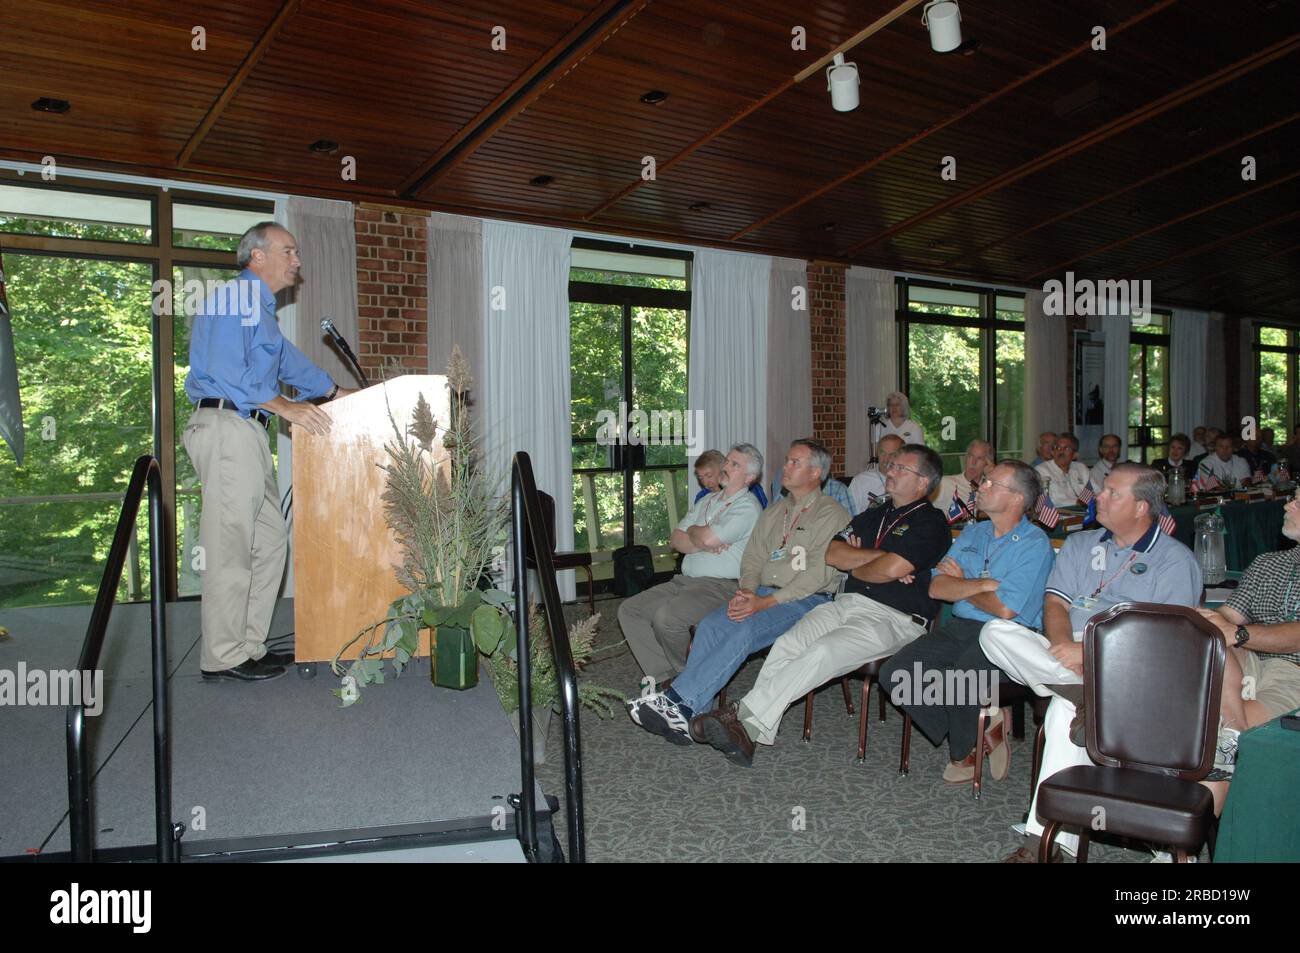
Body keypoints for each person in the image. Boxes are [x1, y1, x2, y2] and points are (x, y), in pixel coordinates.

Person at [980, 463, 1202, 861]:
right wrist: (1065, 643)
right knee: (994, 633)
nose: (1098, 496)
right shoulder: (1081, 544)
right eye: (1103, 489)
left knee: (1063, 712)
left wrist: (1090, 653)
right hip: (1066, 652)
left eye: (1112, 493)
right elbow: (1055, 603)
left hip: (1134, 659)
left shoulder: (1173, 560)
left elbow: (1168, 637)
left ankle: (1043, 843)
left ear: (1141, 507)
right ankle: (1085, 693)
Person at [689, 445, 951, 766]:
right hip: (846, 603)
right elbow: (834, 554)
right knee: (788, 644)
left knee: (822, 652)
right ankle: (751, 732)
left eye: (900, 468)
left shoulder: (932, 523)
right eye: (891, 465)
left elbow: (892, 569)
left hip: (894, 618)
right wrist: (881, 560)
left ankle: (740, 718)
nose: (890, 471)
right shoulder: (875, 513)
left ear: (923, 482)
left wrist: (868, 562)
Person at [184, 222, 356, 682]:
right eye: (289, 251)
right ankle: (222, 656)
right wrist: (287, 408)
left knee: (269, 542)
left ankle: (248, 646)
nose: (297, 261)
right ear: (256, 256)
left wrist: (345, 395)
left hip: (247, 432)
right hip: (225, 427)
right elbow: (226, 369)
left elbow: (291, 365)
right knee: (231, 547)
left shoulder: (260, 314)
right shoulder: (234, 299)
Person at [626, 439, 849, 744]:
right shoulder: (775, 512)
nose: (785, 466)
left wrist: (765, 601)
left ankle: (678, 701)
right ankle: (689, 717)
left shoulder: (830, 513)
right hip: (761, 592)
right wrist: (746, 592)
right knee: (710, 626)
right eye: (786, 459)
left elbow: (818, 575)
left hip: (806, 600)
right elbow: (753, 558)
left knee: (743, 630)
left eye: (795, 462)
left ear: (815, 473)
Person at [880, 461, 1055, 783]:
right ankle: (985, 725)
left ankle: (964, 752)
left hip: (1008, 635)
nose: (981, 487)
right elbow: (937, 587)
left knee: (960, 680)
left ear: (1018, 499)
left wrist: (964, 584)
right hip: (962, 628)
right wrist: (984, 585)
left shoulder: (1035, 543)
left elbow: (1005, 610)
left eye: (991, 484)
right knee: (895, 674)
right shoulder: (972, 532)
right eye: (983, 481)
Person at [621, 445, 764, 687]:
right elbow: (676, 540)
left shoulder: (747, 506)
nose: (726, 467)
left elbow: (701, 538)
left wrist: (696, 534)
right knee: (629, 610)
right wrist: (705, 540)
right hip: (685, 581)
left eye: (735, 465)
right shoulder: (708, 501)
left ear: (749, 477)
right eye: (727, 461)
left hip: (721, 586)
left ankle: (690, 680)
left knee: (666, 619)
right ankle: (667, 676)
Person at [1194, 495, 1300, 808]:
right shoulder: (1268, 563)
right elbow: (1227, 617)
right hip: (1248, 661)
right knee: (1208, 643)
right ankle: (1233, 737)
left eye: (1297, 502)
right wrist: (1198, 619)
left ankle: (1178, 846)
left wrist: (1237, 633)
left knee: (1201, 731)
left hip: (1293, 673)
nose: (1286, 506)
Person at [932, 439, 992, 517]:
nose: (973, 462)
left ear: (987, 463)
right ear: (966, 459)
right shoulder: (945, 483)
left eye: (979, 458)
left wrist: (992, 474)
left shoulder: (989, 487)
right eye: (971, 456)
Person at [848, 434, 903, 515]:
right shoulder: (860, 481)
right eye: (883, 453)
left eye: (892, 454)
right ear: (877, 453)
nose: (886, 459)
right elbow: (849, 515)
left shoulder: (909, 481)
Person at [695, 447, 767, 508]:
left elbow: (763, 515)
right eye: (700, 478)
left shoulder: (753, 491)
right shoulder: (703, 496)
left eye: (709, 476)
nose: (705, 482)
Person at [1035, 432, 1090, 506]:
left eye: (1066, 448)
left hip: (1085, 513)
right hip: (1060, 515)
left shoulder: (1081, 468)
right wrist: (1078, 502)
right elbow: (1050, 500)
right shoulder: (1041, 470)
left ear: (1075, 455)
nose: (1061, 451)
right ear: (1052, 452)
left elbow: (1094, 491)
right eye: (1057, 448)